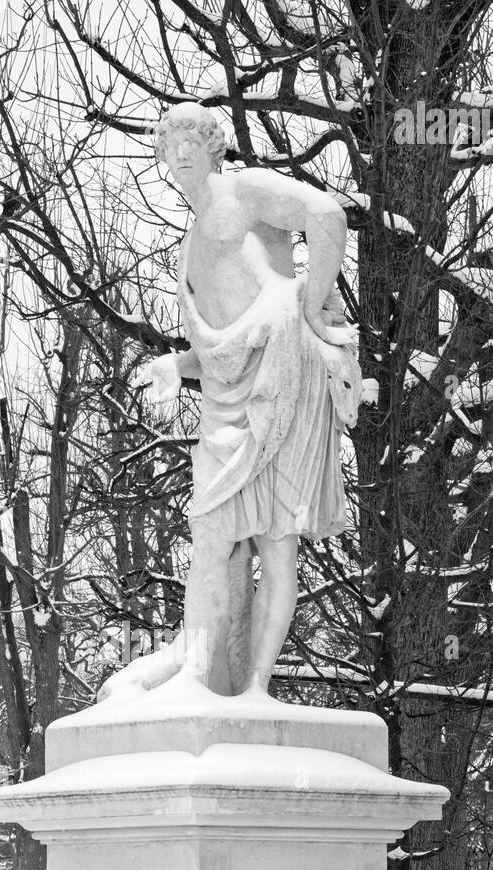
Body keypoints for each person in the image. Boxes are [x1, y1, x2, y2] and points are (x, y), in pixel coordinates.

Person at [100, 101, 360, 701]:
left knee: (277, 543)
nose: (182, 148)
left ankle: (257, 688)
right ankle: (195, 674)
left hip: (284, 382)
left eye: (194, 135)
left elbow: (326, 216)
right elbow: (224, 348)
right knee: (213, 534)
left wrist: (312, 307)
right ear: (162, 155)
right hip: (228, 400)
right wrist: (177, 363)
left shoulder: (245, 191)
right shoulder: (190, 242)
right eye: (170, 139)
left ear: (215, 145)